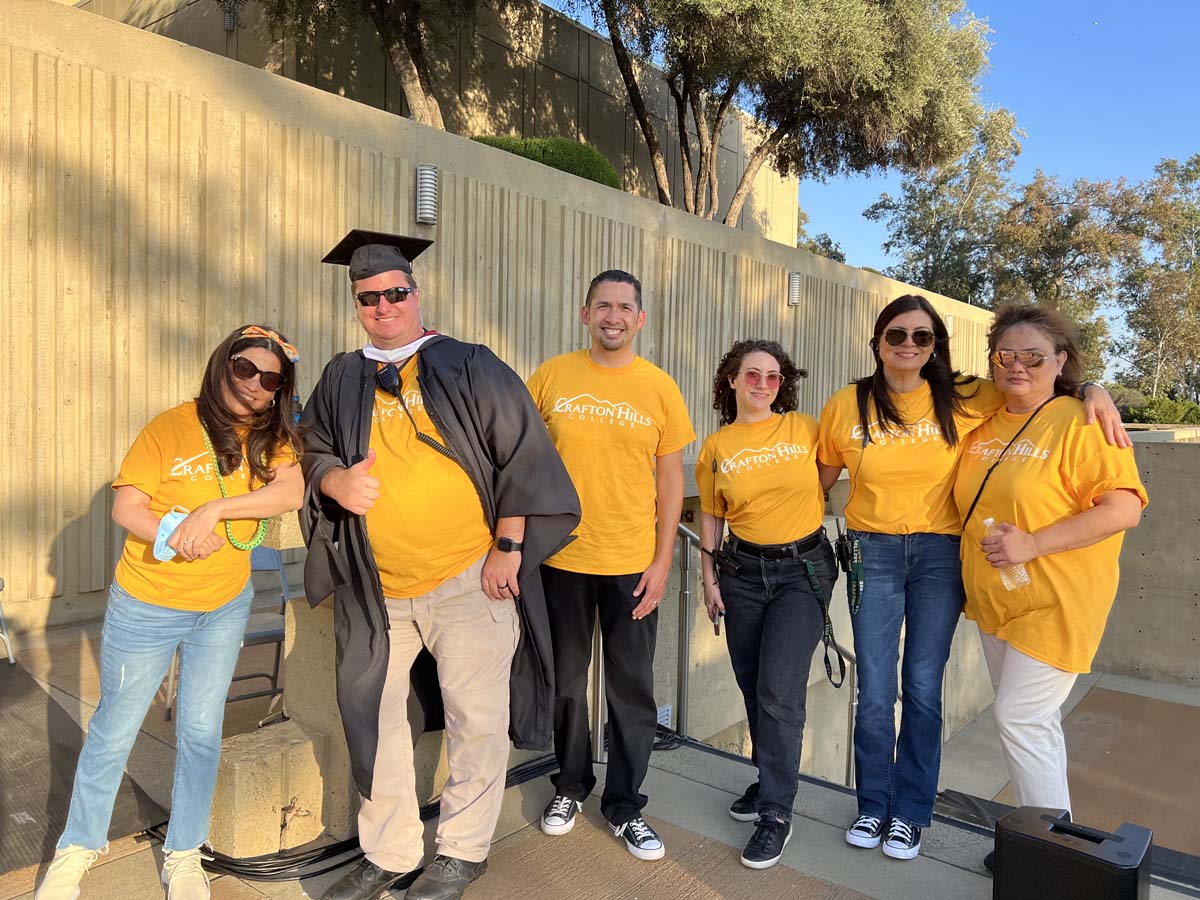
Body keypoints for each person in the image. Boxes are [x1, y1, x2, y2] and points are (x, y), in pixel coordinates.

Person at [301, 230, 579, 900]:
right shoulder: (341, 376)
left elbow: (523, 456)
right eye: (369, 298)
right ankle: (390, 852)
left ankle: (460, 849)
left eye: (395, 293)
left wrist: (508, 546)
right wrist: (334, 482)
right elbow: (308, 446)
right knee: (377, 715)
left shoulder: (466, 363)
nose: (383, 306)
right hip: (379, 592)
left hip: (468, 579)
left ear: (415, 293)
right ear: (356, 304)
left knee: (475, 719)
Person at [815, 295, 1127, 861]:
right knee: (876, 690)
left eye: (922, 337)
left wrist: (1092, 389)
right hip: (874, 553)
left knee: (926, 690)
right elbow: (817, 479)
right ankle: (872, 807)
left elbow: (1042, 386)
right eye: (897, 336)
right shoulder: (847, 405)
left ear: (936, 346)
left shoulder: (963, 397)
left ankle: (911, 815)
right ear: (877, 342)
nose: (909, 345)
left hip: (942, 556)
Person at [36, 325, 304, 900]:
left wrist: (214, 510)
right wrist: (175, 531)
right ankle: (77, 847)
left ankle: (184, 851)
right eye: (244, 369)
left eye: (270, 378)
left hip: (222, 607)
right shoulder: (170, 426)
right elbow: (126, 505)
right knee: (115, 728)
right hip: (147, 606)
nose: (254, 385)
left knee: (201, 732)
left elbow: (290, 493)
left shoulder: (272, 437)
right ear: (222, 366)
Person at [954, 304, 1145, 868]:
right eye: (1005, 355)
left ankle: (1053, 854)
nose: (1018, 366)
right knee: (1031, 726)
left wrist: (1034, 544)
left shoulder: (1082, 421)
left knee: (1020, 718)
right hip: (997, 600)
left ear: (1060, 361)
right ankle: (1046, 830)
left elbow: (1124, 507)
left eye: (1034, 356)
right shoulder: (985, 420)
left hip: (1057, 600)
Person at [527, 270, 694, 861]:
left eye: (625, 307)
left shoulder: (659, 387)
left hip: (632, 562)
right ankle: (570, 786)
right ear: (585, 313)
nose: (614, 316)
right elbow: (519, 456)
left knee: (631, 689)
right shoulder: (551, 376)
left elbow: (671, 477)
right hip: (562, 559)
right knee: (568, 683)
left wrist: (663, 556)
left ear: (640, 319)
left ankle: (624, 805)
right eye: (603, 306)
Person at [696, 340, 839, 870]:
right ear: (731, 380)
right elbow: (711, 517)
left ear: (784, 385)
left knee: (780, 691)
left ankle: (776, 812)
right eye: (751, 374)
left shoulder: (805, 429)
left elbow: (836, 471)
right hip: (742, 574)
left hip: (802, 570)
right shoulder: (716, 447)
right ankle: (768, 779)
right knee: (753, 681)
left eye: (773, 377)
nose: (762, 384)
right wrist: (708, 577)